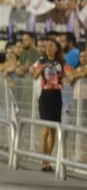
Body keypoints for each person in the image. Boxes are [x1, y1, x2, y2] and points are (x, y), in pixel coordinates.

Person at [33, 38, 65, 172]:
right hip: (45, 95)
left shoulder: (61, 63)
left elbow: (63, 76)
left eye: (51, 46)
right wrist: (42, 68)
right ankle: (43, 161)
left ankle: (49, 160)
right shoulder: (41, 61)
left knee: (54, 129)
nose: (48, 48)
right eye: (47, 46)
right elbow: (34, 75)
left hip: (56, 95)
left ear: (56, 48)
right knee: (46, 128)